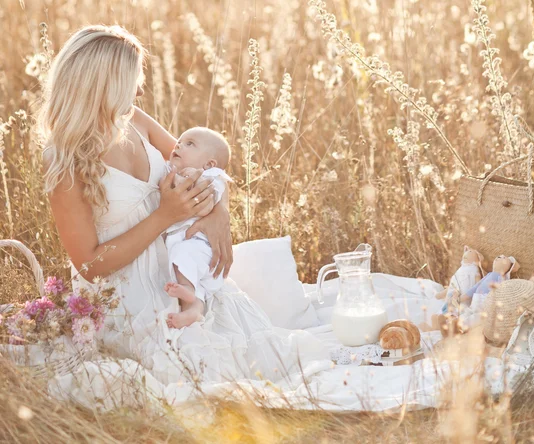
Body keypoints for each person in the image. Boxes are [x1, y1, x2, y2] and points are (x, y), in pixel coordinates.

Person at [39, 25, 329, 385]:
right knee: (194, 372)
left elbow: (205, 168)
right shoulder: (63, 161)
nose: (141, 89)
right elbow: (89, 265)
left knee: (260, 354)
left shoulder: (135, 121)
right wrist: (165, 215)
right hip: (127, 296)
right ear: (106, 84)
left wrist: (219, 212)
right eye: (134, 79)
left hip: (179, 271)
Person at [163, 127, 233, 329]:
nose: (178, 145)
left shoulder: (211, 176)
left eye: (189, 144)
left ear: (210, 164)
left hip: (201, 246)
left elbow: (210, 201)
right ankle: (193, 310)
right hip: (192, 249)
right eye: (179, 141)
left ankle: (187, 289)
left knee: (183, 256)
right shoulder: (174, 169)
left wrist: (193, 178)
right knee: (194, 280)